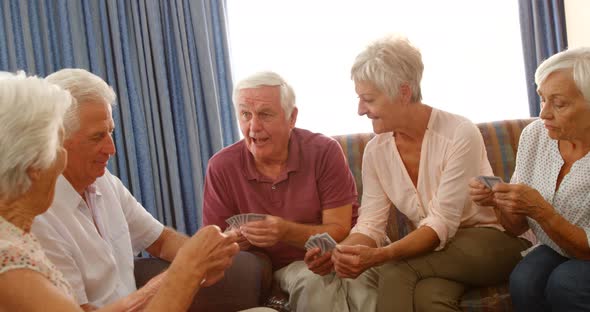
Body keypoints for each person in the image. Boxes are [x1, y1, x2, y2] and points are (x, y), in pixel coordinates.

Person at [29, 68, 271, 312]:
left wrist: (208, 258)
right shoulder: (37, 220)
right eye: (97, 137)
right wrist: (186, 270)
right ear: (56, 140)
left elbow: (162, 241)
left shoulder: (105, 182)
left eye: (110, 132)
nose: (111, 149)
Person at [320, 35, 531, 312]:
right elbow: (370, 224)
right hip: (439, 251)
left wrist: (380, 255)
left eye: (368, 99)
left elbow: (441, 222)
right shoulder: (376, 151)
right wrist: (340, 253)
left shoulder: (458, 133)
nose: (360, 110)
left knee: (396, 269)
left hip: (492, 241)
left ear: (403, 93)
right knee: (429, 296)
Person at [202, 71, 364, 311]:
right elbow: (212, 244)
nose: (253, 127)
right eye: (245, 115)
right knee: (314, 283)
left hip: (335, 256)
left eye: (265, 114)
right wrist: (234, 241)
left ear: (292, 117)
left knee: (367, 288)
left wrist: (284, 231)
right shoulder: (222, 165)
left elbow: (339, 229)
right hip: (273, 269)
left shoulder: (324, 152)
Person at [470, 47, 590, 311]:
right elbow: (515, 227)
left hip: (585, 250)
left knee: (565, 282)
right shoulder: (535, 135)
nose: (544, 113)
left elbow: (586, 250)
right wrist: (498, 201)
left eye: (559, 104)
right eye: (542, 99)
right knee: (524, 280)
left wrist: (542, 211)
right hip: (560, 246)